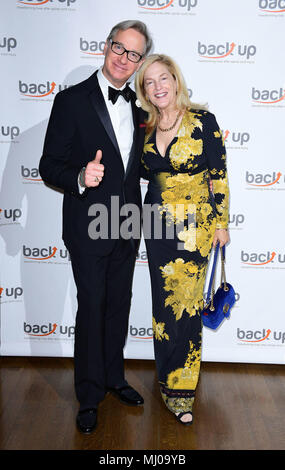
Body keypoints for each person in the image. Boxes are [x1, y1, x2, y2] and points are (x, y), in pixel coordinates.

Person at [39, 20, 153, 434]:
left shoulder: (142, 111)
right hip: (87, 223)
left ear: (141, 61)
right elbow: (48, 165)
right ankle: (89, 395)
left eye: (134, 54)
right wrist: (79, 177)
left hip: (126, 222)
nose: (124, 59)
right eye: (119, 49)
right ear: (106, 47)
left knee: (118, 304)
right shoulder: (71, 100)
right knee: (92, 306)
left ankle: (113, 378)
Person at [135, 54, 229, 425]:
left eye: (163, 79)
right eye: (149, 83)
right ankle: (166, 378)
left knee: (186, 307)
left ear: (176, 80)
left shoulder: (203, 121)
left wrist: (220, 223)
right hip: (155, 224)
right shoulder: (145, 126)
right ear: (145, 91)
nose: (158, 87)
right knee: (164, 307)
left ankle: (182, 392)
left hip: (194, 227)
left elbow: (218, 175)